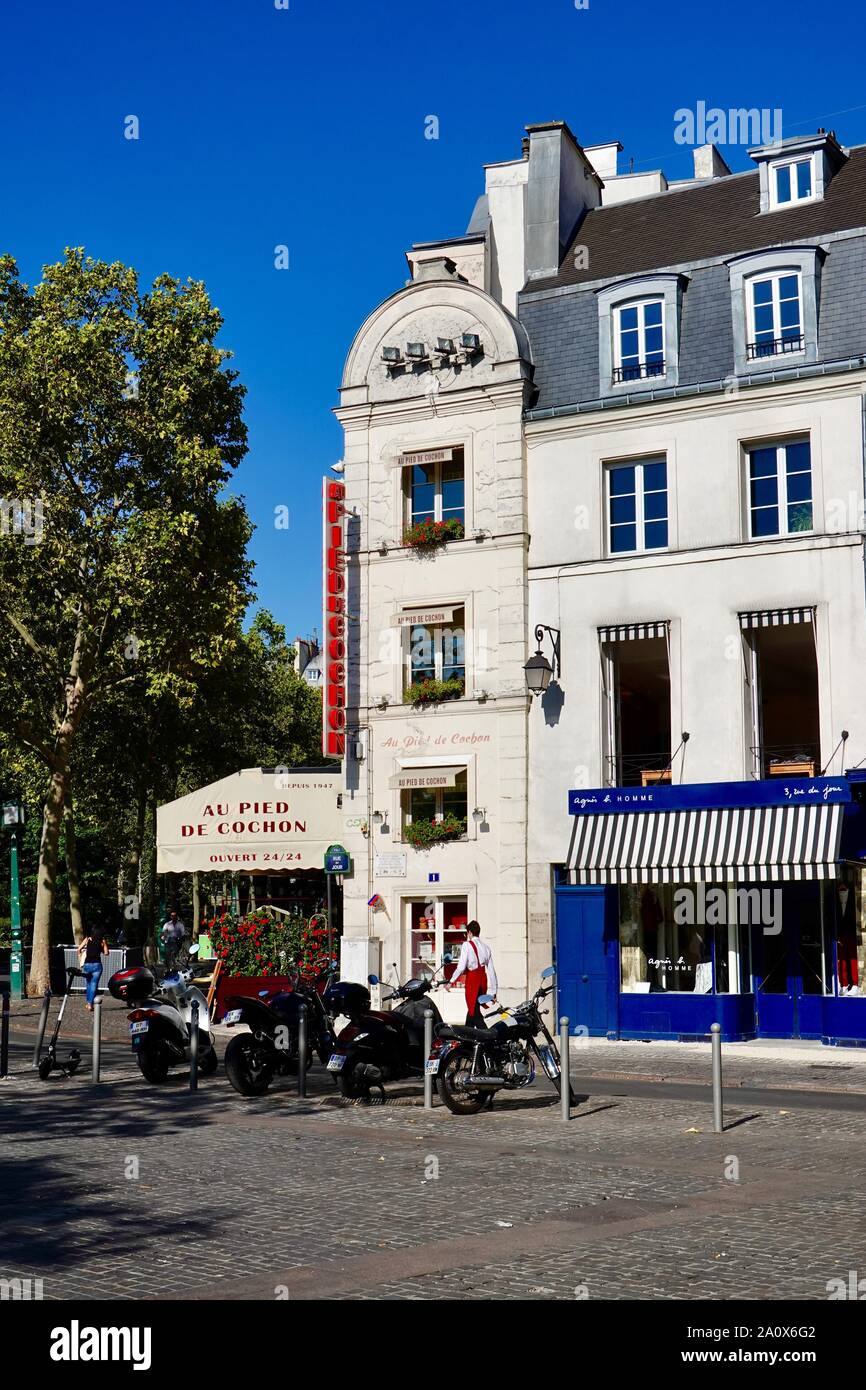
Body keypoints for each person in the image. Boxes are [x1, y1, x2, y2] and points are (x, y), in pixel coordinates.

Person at [448, 920, 498, 1026]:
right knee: (473, 1009)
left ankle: (488, 1037)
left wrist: (451, 981)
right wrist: (494, 992)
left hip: (473, 982)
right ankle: (467, 1037)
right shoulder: (486, 948)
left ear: (469, 932)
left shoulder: (467, 945)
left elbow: (461, 967)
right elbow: (492, 971)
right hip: (482, 981)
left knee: (474, 1012)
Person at [77, 929, 109, 1011]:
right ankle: (90, 1004)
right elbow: (106, 953)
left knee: (88, 984)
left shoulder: (87, 939)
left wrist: (80, 956)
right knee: (94, 985)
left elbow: (79, 949)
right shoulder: (102, 941)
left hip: (87, 965)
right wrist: (104, 944)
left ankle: (88, 1003)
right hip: (97, 965)